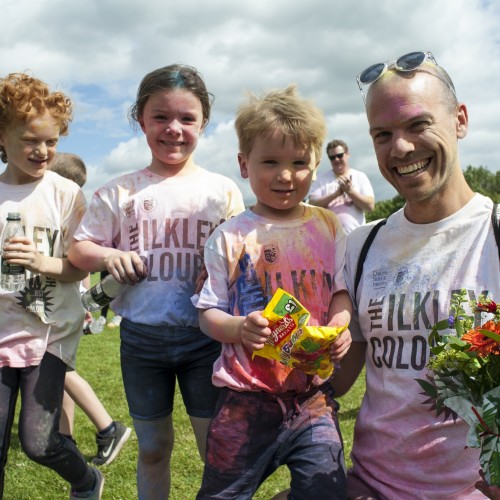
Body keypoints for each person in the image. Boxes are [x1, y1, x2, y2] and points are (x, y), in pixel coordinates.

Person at [68, 64, 245, 499]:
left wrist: (226, 268)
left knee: (214, 450)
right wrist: (110, 254)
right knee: (153, 447)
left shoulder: (221, 191)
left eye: (187, 119)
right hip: (142, 342)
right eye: (160, 117)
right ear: (140, 119)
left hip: (205, 339)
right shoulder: (118, 192)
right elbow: (79, 249)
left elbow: (243, 256)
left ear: (204, 122)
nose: (174, 129)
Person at [332, 51, 498, 499]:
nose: (399, 148)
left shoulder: (494, 234)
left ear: (460, 120)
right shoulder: (360, 245)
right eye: (382, 134)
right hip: (369, 486)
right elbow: (338, 378)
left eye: (417, 125)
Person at [192, 84, 352, 499]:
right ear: (244, 164)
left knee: (327, 491)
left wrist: (340, 323)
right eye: (270, 162)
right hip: (246, 401)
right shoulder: (229, 237)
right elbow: (207, 313)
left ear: (316, 165)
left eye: (299, 162)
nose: (286, 174)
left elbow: (340, 292)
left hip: (312, 398)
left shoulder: (330, 227)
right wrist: (239, 328)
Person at [0, 73, 103, 499]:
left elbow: (79, 269)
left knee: (40, 442)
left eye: (52, 141)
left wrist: (40, 260)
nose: (42, 151)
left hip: (49, 333)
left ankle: (86, 479)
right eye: (29, 140)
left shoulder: (66, 195)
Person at [49, 152, 132, 466]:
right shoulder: (72, 212)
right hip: (62, 303)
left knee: (57, 367)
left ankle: (108, 427)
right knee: (60, 368)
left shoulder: (67, 214)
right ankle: (64, 435)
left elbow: (76, 264)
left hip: (57, 304)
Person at [308, 139, 375, 233]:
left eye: (340, 155)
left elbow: (370, 206)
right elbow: (312, 204)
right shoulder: (320, 179)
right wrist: (335, 194)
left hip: (356, 238)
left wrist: (350, 191)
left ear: (347, 154)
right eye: (332, 157)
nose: (336, 159)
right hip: (328, 238)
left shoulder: (360, 176)